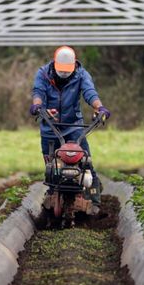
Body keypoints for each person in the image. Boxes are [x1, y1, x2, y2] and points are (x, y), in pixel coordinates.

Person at [29, 46, 111, 201]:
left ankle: (94, 198)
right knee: (52, 167)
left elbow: (89, 92)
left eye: (68, 70)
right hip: (50, 125)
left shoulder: (81, 75)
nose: (65, 73)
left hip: (73, 125)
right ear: (54, 64)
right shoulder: (43, 74)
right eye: (62, 70)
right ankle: (53, 193)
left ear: (73, 66)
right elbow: (38, 92)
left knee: (85, 161)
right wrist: (38, 107)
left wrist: (99, 107)